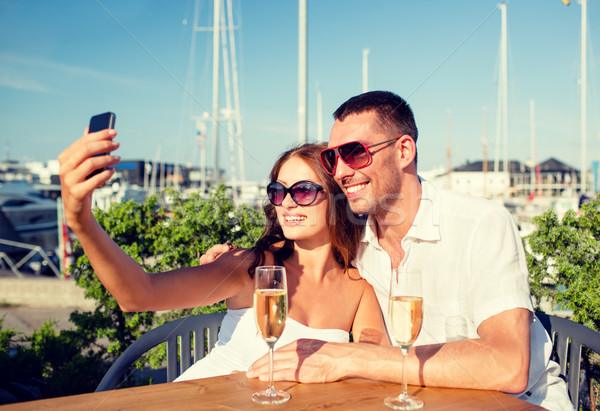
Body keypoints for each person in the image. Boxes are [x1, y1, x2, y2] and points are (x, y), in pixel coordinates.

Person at [203, 91, 571, 410]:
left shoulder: (480, 223)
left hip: (521, 403)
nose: (342, 171)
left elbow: (508, 364)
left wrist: (350, 357)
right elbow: (297, 236)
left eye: (354, 153)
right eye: (333, 159)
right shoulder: (353, 239)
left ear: (404, 150)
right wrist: (240, 255)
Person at [58, 134, 389, 380]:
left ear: (336, 201)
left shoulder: (358, 287)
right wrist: (82, 222)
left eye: (302, 191)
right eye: (278, 191)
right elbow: (139, 294)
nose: (286, 203)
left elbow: (377, 359)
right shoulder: (251, 266)